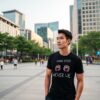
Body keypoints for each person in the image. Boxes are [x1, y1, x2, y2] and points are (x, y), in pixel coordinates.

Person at [45, 29, 84, 100]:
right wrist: (46, 95)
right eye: (57, 38)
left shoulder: (76, 59)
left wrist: (77, 98)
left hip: (69, 97)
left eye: (61, 38)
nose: (58, 41)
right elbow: (47, 76)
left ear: (68, 41)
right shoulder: (52, 57)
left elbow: (80, 80)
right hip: (52, 97)